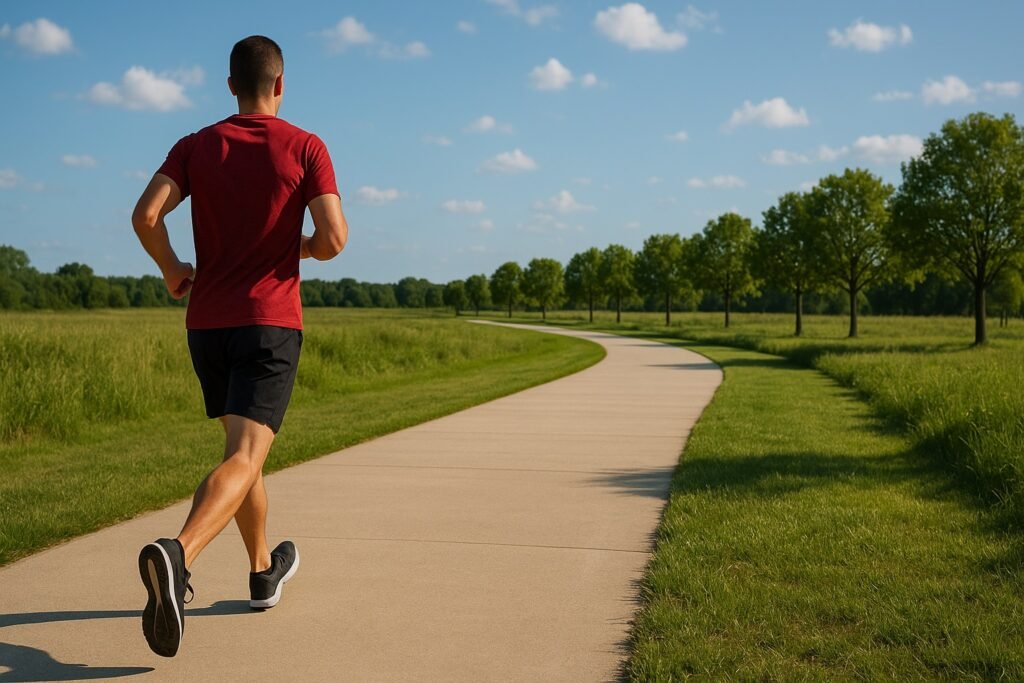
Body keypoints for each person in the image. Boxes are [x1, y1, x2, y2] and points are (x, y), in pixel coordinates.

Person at [130, 35, 348, 658]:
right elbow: (333, 238)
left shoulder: (196, 146)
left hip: (207, 324)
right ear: (280, 84)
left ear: (231, 86)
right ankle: (178, 554)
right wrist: (295, 249)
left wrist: (174, 269)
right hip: (270, 320)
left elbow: (146, 216)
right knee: (248, 455)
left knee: (241, 453)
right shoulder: (306, 147)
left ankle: (261, 572)